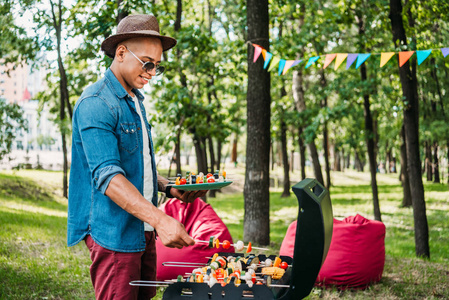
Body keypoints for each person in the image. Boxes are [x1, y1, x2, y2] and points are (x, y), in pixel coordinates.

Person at [67, 14, 207, 299]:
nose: (152, 72)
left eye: (157, 65)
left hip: (142, 229)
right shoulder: (96, 103)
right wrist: (161, 220)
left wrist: (169, 188)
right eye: (147, 63)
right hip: (114, 233)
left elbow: (135, 165)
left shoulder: (134, 101)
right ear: (120, 53)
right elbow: (109, 178)